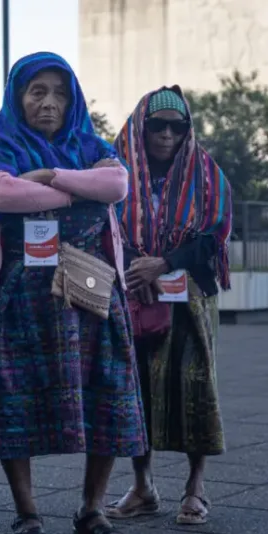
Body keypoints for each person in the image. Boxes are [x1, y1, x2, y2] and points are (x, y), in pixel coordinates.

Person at [0, 52, 146, 534]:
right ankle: (28, 512)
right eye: (37, 91)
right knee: (17, 396)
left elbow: (116, 184)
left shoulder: (91, 143)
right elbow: (4, 194)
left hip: (93, 286)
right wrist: (80, 190)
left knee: (107, 394)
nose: (49, 102)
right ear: (18, 97)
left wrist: (51, 179)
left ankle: (91, 507)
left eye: (60, 92)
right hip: (23, 294)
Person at [106, 86, 232, 526]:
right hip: (133, 295)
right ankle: (143, 486)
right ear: (140, 126)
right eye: (156, 125)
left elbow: (212, 237)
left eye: (176, 126)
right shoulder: (113, 172)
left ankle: (196, 488)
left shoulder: (207, 174)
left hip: (189, 299)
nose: (165, 134)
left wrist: (162, 263)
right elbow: (99, 230)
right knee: (135, 392)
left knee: (196, 387)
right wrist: (132, 273)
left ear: (186, 130)